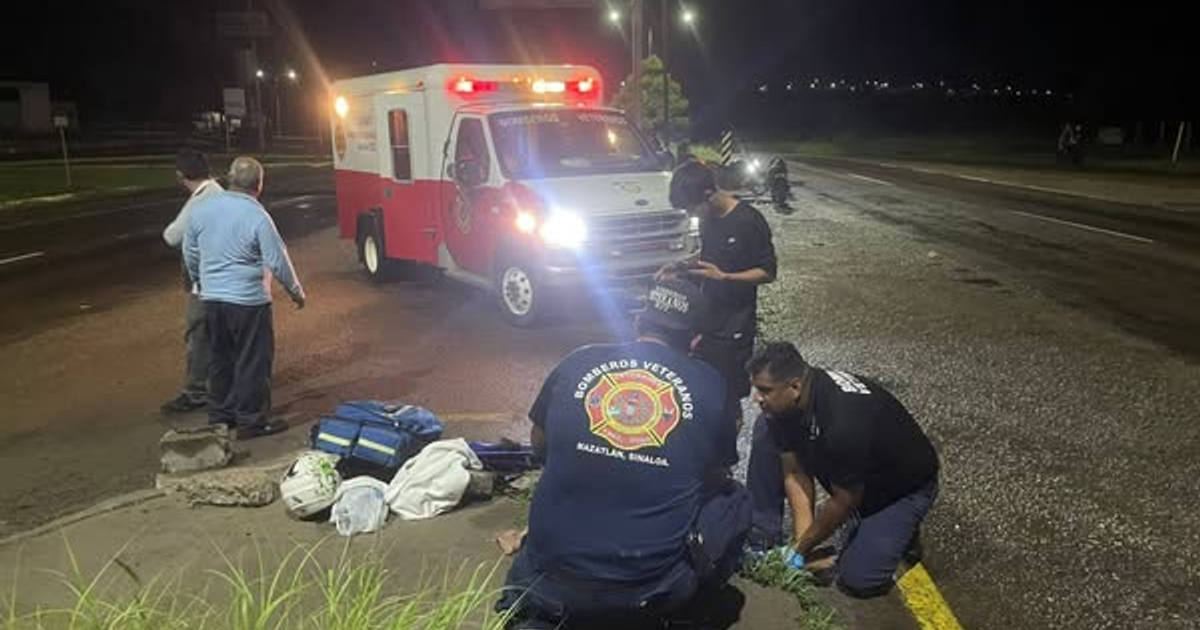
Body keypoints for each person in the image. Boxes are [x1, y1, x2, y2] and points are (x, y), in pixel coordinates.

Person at [497, 279, 750, 629]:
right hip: (647, 593)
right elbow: (716, 472)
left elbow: (541, 445)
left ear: (636, 323)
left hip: (546, 582)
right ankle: (694, 611)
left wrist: (600, 455)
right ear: (695, 340)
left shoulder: (578, 361)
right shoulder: (712, 385)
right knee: (734, 497)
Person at [745, 342, 940, 598]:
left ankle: (901, 532)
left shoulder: (843, 423)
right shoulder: (800, 394)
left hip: (901, 489)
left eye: (764, 390)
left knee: (859, 580)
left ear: (794, 387)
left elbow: (845, 499)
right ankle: (763, 536)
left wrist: (799, 552)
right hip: (855, 470)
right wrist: (802, 546)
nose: (754, 397)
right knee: (765, 428)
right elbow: (794, 471)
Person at [664, 158, 776, 522]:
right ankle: (704, 462)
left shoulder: (748, 220)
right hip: (705, 320)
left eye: (692, 206)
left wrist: (725, 277)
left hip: (735, 327)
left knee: (728, 401)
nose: (693, 214)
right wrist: (681, 265)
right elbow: (707, 257)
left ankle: (722, 474)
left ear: (709, 193)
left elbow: (768, 272)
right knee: (699, 390)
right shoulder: (709, 217)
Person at [183, 157, 305, 440]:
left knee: (220, 358)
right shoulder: (257, 216)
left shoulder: (201, 210)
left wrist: (200, 281)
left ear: (229, 179)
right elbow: (277, 260)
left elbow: (190, 253)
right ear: (259, 185)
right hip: (248, 302)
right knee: (252, 360)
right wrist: (296, 292)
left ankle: (221, 416)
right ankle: (251, 420)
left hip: (212, 299)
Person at [160, 149, 224, 414]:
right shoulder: (220, 192)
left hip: (205, 281)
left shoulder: (201, 199)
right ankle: (221, 383)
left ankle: (197, 390)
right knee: (219, 333)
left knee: (198, 333)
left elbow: (172, 236)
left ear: (180, 176)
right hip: (223, 277)